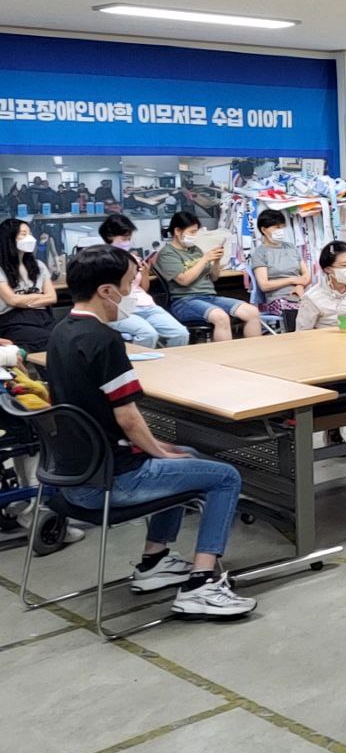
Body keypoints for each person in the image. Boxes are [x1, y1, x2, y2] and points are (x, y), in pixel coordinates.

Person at [47, 246, 256, 617]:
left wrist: (159, 446)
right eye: (129, 284)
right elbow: (128, 418)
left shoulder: (61, 331)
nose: (133, 293)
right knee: (225, 477)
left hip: (72, 475)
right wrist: (158, 452)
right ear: (106, 291)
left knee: (186, 456)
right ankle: (201, 585)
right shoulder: (106, 341)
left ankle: (154, 560)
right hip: (110, 481)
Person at [296, 241, 346, 446]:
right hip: (325, 355)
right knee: (340, 383)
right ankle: (332, 429)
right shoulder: (313, 298)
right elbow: (300, 336)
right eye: (343, 266)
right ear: (328, 270)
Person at [154, 212, 261, 343]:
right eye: (192, 232)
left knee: (252, 312)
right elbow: (184, 280)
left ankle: (254, 353)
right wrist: (205, 259)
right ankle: (224, 360)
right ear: (177, 231)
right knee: (221, 317)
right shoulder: (167, 254)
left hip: (209, 297)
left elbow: (214, 277)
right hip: (183, 301)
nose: (194, 236)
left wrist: (216, 261)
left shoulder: (195, 250)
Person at [98, 215, 189, 348]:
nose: (128, 242)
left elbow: (142, 288)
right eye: (124, 238)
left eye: (129, 238)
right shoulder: (101, 259)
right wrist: (127, 275)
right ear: (110, 237)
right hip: (119, 307)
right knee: (148, 334)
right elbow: (110, 291)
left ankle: (171, 365)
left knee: (180, 333)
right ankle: (139, 366)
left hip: (146, 305)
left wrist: (145, 273)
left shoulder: (133, 258)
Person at [0, 218, 57, 352]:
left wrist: (24, 301)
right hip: (13, 321)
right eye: (24, 234)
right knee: (51, 342)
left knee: (66, 338)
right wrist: (38, 297)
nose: (30, 238)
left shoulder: (39, 266)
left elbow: (52, 297)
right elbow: (12, 300)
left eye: (30, 234)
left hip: (43, 317)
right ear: (9, 238)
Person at [251, 208, 310, 327]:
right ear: (263, 230)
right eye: (277, 227)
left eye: (282, 226)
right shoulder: (260, 253)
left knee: (323, 307)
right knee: (299, 313)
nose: (281, 230)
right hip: (277, 298)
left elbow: (306, 276)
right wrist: (293, 280)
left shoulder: (291, 247)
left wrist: (299, 286)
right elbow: (264, 285)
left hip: (300, 293)